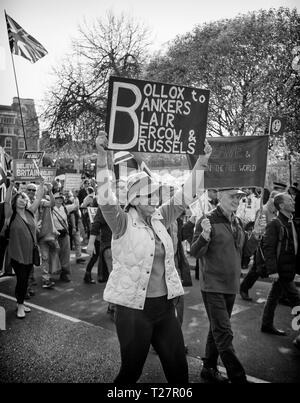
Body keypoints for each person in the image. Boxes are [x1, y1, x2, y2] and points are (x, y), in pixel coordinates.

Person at [95, 131, 211, 383]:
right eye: (148, 194)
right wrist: (103, 157)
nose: (155, 198)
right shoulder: (121, 222)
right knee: (130, 373)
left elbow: (185, 197)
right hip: (134, 311)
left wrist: (201, 161)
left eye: (156, 193)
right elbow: (105, 199)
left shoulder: (161, 217)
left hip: (165, 309)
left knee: (179, 372)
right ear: (134, 199)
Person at [190, 188, 266, 383]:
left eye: (239, 197)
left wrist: (256, 235)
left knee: (217, 329)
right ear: (220, 196)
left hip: (231, 285)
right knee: (224, 333)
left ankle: (208, 367)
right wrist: (205, 235)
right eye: (233, 196)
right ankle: (238, 377)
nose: (237, 200)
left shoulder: (238, 221)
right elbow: (195, 252)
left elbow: (244, 253)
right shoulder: (206, 220)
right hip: (212, 286)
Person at [260, 192, 300, 335]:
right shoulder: (275, 224)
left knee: (274, 296)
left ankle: (266, 324)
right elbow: (268, 248)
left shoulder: (290, 221)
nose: (293, 202)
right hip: (282, 269)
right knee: (296, 299)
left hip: (289, 267)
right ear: (282, 205)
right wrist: (273, 270)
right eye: (290, 200)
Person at [7, 181, 45, 318]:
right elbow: (6, 201)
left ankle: (20, 303)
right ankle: (20, 305)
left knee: (25, 280)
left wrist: (42, 184)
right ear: (15, 201)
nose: (23, 201)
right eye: (20, 198)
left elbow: (39, 197)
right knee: (22, 279)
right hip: (17, 253)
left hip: (29, 253)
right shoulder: (10, 214)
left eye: (24, 199)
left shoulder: (30, 212)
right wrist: (11, 185)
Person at [240, 190, 279, 301]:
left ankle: (281, 295)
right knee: (257, 270)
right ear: (271, 199)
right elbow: (259, 229)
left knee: (258, 270)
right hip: (263, 246)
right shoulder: (263, 211)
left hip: (271, 246)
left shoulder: (274, 212)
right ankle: (243, 288)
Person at [52, 192, 79, 282]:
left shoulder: (65, 208)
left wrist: (75, 197)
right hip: (54, 235)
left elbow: (75, 205)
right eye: (57, 198)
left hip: (64, 234)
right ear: (54, 199)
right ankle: (52, 272)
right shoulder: (50, 209)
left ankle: (65, 273)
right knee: (54, 254)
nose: (60, 200)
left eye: (61, 198)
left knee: (65, 254)